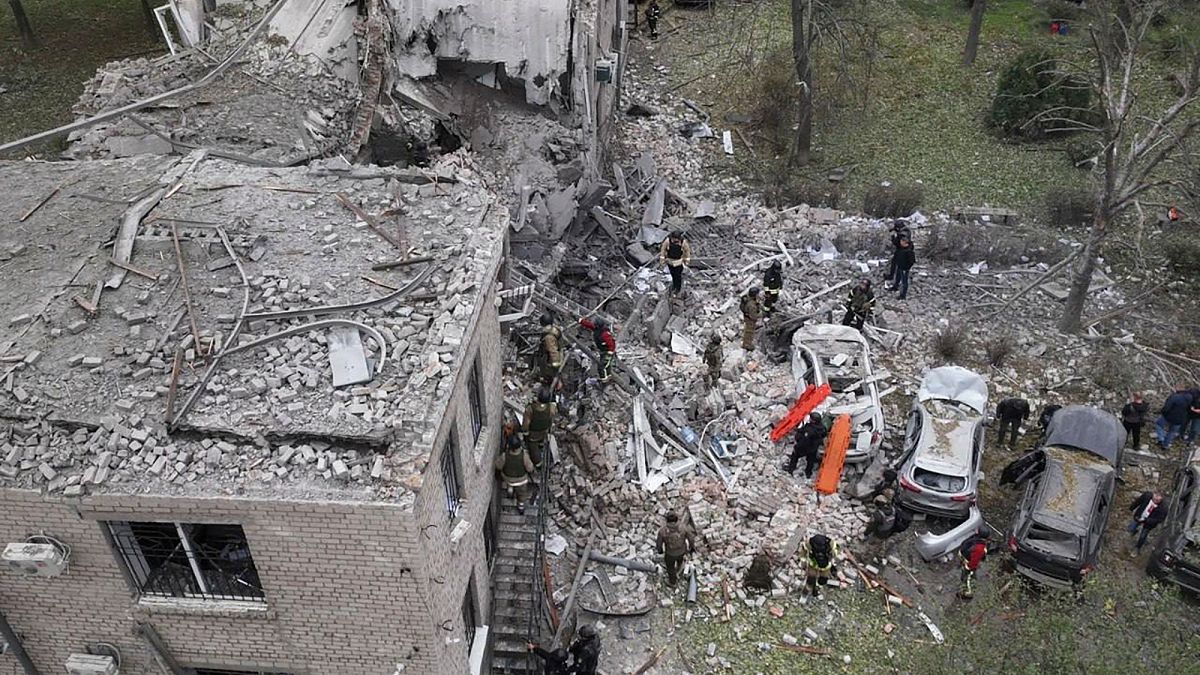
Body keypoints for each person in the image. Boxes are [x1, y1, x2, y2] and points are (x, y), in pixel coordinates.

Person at [494, 434, 535, 514]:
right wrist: (532, 471)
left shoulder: (504, 456)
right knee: (522, 494)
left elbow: (498, 465)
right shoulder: (524, 456)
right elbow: (530, 468)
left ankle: (510, 491)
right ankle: (521, 507)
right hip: (521, 480)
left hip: (508, 478)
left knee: (510, 484)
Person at [656, 511, 696, 587]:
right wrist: (691, 547)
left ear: (667, 520)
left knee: (670, 567)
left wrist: (660, 551)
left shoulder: (662, 531)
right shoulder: (683, 527)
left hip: (670, 553)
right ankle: (678, 571)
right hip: (682, 551)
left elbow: (659, 544)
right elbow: (691, 538)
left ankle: (673, 582)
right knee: (680, 561)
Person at [522, 386, 558, 470]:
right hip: (545, 430)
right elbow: (553, 415)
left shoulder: (530, 409)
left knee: (533, 446)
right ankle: (541, 444)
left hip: (533, 433)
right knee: (542, 439)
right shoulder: (551, 408)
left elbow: (526, 424)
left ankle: (538, 464)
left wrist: (525, 433)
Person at [786, 413, 827, 479]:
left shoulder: (810, 430)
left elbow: (804, 441)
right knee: (810, 461)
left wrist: (797, 447)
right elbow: (824, 435)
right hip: (814, 448)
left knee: (795, 455)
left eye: (811, 418)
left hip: (806, 447)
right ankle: (808, 473)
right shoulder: (822, 428)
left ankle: (791, 470)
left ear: (814, 421)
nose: (809, 419)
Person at [1155, 384, 1193, 449]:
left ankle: (1161, 439)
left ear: (1179, 388)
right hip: (1180, 419)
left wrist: (1162, 412)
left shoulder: (1174, 397)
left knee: (1158, 424)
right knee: (1172, 432)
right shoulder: (1190, 397)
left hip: (1168, 416)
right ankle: (1165, 445)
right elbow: (1189, 408)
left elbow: (1167, 407)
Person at [578, 317, 616, 382]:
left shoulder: (605, 334)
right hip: (603, 351)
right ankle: (608, 377)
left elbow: (612, 344)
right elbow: (588, 324)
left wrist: (610, 353)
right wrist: (580, 320)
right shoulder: (597, 329)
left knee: (602, 366)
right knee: (606, 366)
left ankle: (605, 381)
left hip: (607, 352)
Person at [1127, 491, 1166, 555]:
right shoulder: (1147, 496)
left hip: (1149, 523)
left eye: (1157, 500)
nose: (1154, 501)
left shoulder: (1163, 509)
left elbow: (1159, 519)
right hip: (1139, 516)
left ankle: (1138, 547)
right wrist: (1131, 508)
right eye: (1154, 499)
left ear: (1161, 500)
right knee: (1131, 528)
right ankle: (1134, 531)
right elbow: (1138, 501)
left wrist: (1147, 520)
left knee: (1143, 535)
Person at [804, 533, 838, 599]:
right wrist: (804, 561)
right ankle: (809, 589)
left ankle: (818, 587)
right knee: (811, 577)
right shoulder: (809, 543)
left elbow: (835, 552)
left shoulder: (831, 544)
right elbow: (804, 551)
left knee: (823, 579)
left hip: (825, 565)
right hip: (814, 563)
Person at [958, 531, 990, 599]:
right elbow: (974, 560)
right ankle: (967, 591)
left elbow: (974, 560)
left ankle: (968, 592)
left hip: (966, 560)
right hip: (967, 561)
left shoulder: (976, 542)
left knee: (967, 577)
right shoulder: (979, 545)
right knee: (967, 577)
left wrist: (968, 566)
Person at [658, 230, 691, 295]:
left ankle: (678, 288)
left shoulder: (683, 242)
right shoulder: (667, 241)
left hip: (678, 261)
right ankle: (674, 286)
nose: (675, 240)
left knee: (678, 275)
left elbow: (687, 251)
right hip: (670, 261)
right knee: (673, 274)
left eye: (677, 239)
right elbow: (663, 250)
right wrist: (662, 259)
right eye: (674, 239)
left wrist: (687, 260)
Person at [539, 313, 564, 383]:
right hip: (558, 357)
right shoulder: (555, 330)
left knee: (549, 381)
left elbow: (553, 352)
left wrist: (555, 367)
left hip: (550, 363)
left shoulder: (548, 337)